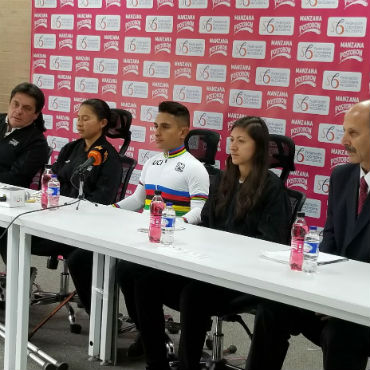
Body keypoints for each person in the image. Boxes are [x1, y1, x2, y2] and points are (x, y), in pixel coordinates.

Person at [134, 116, 292, 370]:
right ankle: (157, 362)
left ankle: (188, 365)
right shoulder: (223, 179)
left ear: (258, 147)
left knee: (192, 294)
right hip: (208, 268)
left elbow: (269, 244)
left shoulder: (271, 188)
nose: (233, 147)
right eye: (231, 140)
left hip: (243, 277)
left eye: (242, 141)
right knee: (144, 283)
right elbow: (205, 223)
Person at [244, 100, 370, 370]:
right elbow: (332, 240)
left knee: (340, 336)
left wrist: (341, 300)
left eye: (353, 133)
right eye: (344, 131)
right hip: (335, 295)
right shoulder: (342, 176)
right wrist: (322, 292)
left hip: (363, 305)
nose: (343, 141)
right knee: (272, 307)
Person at [0, 99, 122, 308]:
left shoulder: (107, 158)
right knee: (5, 229)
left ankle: (99, 314)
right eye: (78, 118)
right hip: (52, 218)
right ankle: (19, 282)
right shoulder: (71, 148)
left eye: (86, 118)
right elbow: (51, 178)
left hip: (80, 228)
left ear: (102, 123)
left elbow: (101, 202)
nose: (80, 123)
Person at [114, 101, 210, 357]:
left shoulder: (194, 168)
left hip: (174, 246)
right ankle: (150, 335)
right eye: (156, 125)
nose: (156, 131)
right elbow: (137, 200)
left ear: (182, 132)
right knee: (123, 271)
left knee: (133, 273)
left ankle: (152, 339)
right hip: (145, 242)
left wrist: (172, 225)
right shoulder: (152, 162)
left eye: (164, 127)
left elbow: (200, 212)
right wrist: (109, 209)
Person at [0, 82, 49, 187]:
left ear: (36, 114)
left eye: (26, 108)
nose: (18, 111)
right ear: (9, 103)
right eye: (16, 104)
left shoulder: (37, 142)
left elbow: (15, 179)